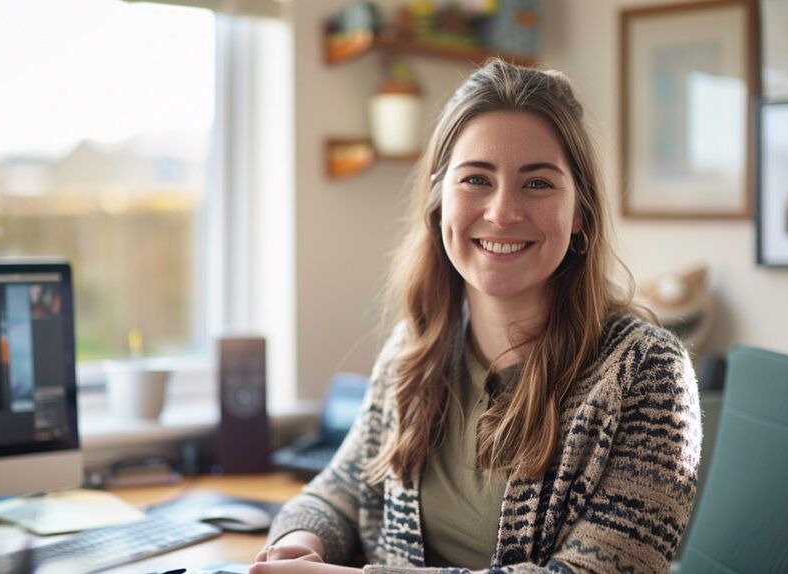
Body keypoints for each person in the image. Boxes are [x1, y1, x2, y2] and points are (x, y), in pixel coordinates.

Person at [251, 59, 702, 574]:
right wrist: (299, 542)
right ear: (440, 202)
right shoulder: (413, 350)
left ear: (579, 213)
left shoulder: (649, 372)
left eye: (537, 184)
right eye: (477, 179)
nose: (503, 211)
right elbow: (340, 489)